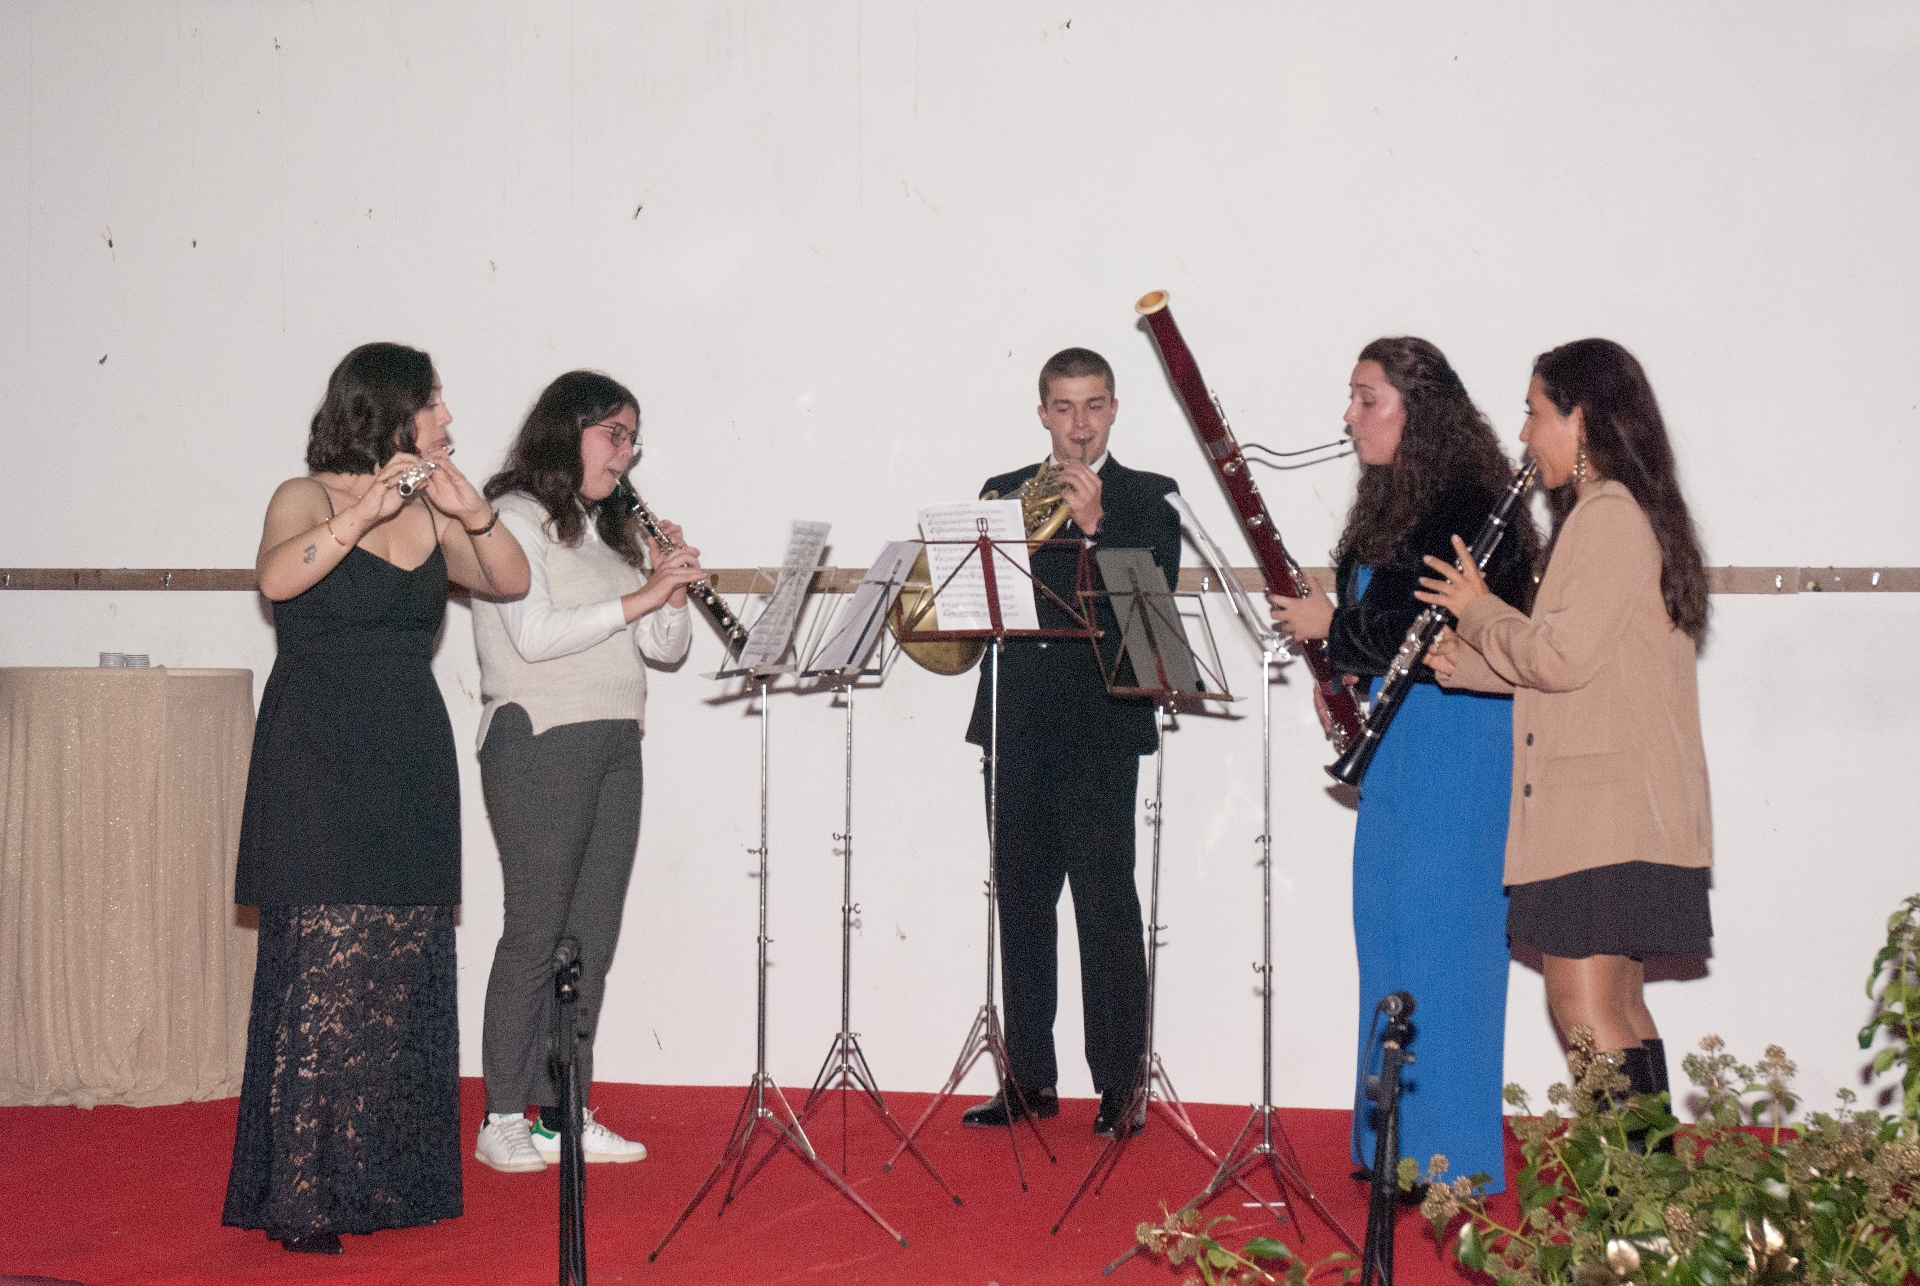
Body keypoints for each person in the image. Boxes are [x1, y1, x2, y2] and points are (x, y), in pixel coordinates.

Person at [223, 342, 531, 1255]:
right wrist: (365, 511)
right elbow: (277, 579)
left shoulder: (436, 513)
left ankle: (384, 1181)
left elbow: (511, 580)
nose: (448, 418)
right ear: (388, 410)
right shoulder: (306, 495)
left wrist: (472, 512)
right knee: (323, 963)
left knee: (401, 962)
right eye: (434, 402)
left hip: (407, 749)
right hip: (316, 748)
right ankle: (304, 1192)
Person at [1268, 338, 1537, 1192]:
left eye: (1367, 399)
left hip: (1459, 739)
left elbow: (1437, 630)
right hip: (1400, 742)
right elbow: (1381, 623)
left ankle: (1448, 1156)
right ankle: (1391, 1143)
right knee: (1385, 934)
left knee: (1443, 944)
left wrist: (1334, 630)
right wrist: (1345, 679)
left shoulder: (1469, 503)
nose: (1350, 416)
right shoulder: (1390, 498)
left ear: (1415, 409)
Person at [1419, 337, 1711, 1122]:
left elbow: (1558, 658)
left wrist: (1479, 608)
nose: (1523, 433)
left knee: (1585, 1012)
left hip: (1600, 819)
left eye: (1534, 412)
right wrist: (1467, 662)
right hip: (1618, 814)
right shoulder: (1617, 512)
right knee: (1617, 1008)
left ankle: (1627, 1192)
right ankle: (1649, 1192)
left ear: (1580, 419)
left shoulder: (1607, 516)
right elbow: (1584, 667)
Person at [469, 370, 711, 1174]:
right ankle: (503, 1114)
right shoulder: (511, 518)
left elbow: (664, 651)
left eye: (633, 437)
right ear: (565, 431)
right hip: (538, 737)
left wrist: (669, 590)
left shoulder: (607, 532)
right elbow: (534, 635)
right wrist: (645, 594)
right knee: (535, 932)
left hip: (614, 740)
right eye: (614, 434)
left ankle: (562, 1111)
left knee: (589, 941)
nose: (627, 453)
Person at [958, 347, 1181, 1138]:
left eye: (1093, 406)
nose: (1079, 425)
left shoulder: (1149, 498)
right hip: (1016, 720)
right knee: (1020, 902)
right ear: (1043, 414)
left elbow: (1152, 608)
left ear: (1113, 409)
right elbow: (975, 605)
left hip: (1100, 724)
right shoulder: (1002, 493)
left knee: (1105, 904)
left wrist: (1096, 528)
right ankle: (1028, 1080)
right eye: (1063, 407)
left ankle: (1120, 1085)